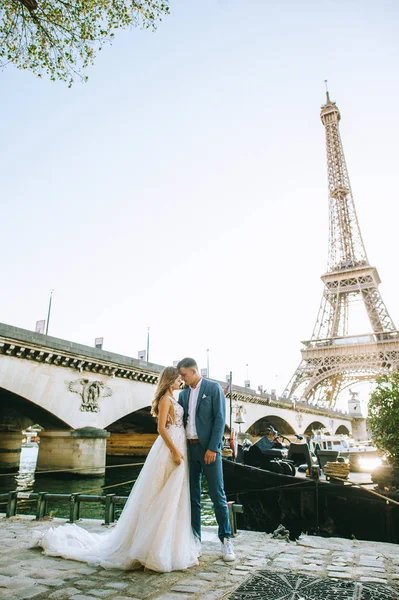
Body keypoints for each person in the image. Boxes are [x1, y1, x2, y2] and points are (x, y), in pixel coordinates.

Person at [30, 366, 200, 572]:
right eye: (177, 378)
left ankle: (169, 544)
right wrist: (174, 450)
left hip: (179, 443)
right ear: (170, 380)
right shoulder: (165, 399)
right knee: (163, 494)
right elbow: (161, 428)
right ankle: (155, 546)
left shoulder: (175, 397)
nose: (180, 381)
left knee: (174, 495)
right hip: (171, 447)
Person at [177, 357, 236, 562]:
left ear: (193, 371)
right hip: (189, 449)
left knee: (217, 494)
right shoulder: (183, 394)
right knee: (192, 497)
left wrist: (213, 447)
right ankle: (195, 541)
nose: (182, 379)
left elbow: (220, 418)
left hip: (208, 449)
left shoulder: (212, 388)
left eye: (184, 374)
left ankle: (226, 540)